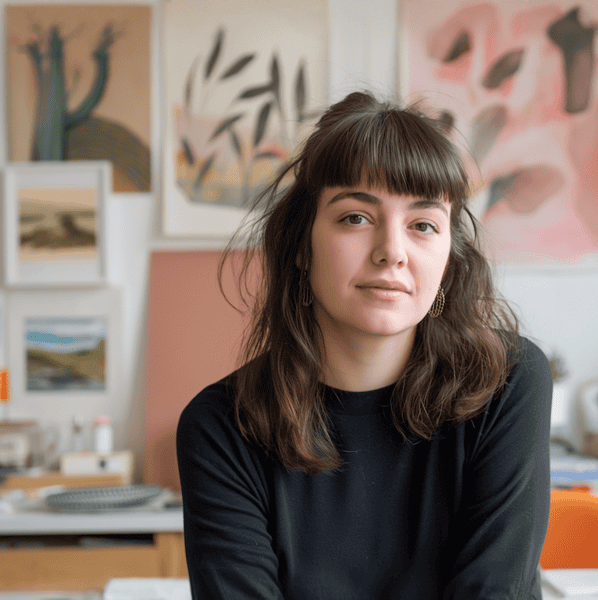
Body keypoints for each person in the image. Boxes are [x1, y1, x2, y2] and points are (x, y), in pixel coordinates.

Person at [176, 90, 552, 599]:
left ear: (447, 260)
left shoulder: (507, 382)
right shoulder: (222, 426)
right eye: (356, 217)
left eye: (422, 225)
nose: (392, 252)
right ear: (302, 247)